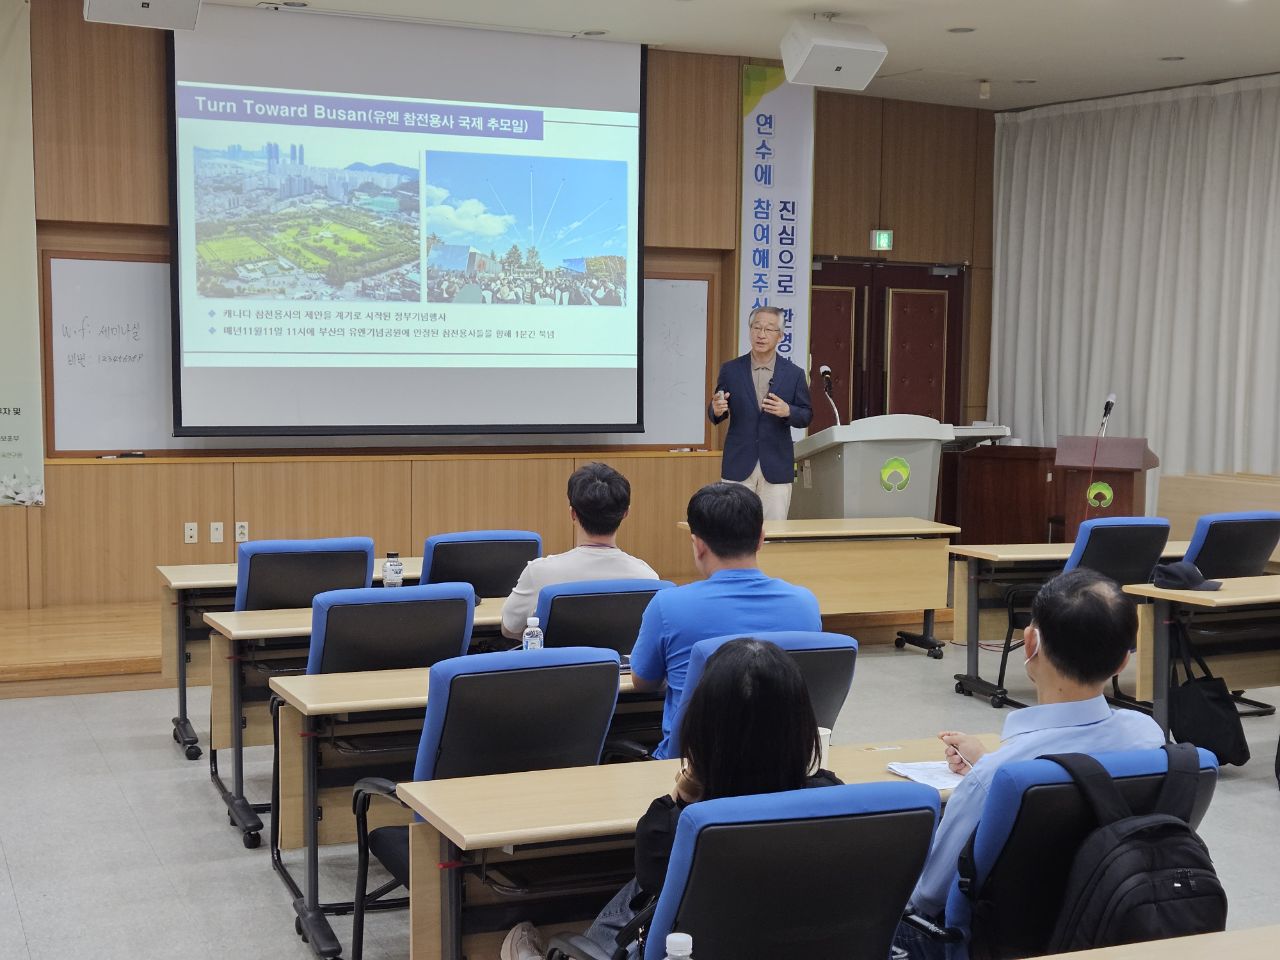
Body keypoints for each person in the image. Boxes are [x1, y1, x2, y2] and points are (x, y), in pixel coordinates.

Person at [500, 638, 842, 960]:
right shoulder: (835, 802)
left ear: (701, 726)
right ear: (802, 724)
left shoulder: (679, 828)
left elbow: (654, 884)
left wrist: (683, 791)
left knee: (642, 898)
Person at [893, 569, 1165, 958]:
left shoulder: (993, 778)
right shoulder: (1150, 738)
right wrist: (992, 764)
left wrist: (990, 773)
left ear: (1030, 642)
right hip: (1105, 925)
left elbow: (928, 896)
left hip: (989, 943)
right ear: (1123, 661)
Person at [629, 482, 821, 758]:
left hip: (694, 773)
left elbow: (643, 682)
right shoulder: (805, 604)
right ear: (761, 539)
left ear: (698, 546)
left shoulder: (668, 605)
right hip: (783, 765)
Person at [500, 462, 659, 640]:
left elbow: (509, 628)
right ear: (626, 513)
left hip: (557, 667)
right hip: (621, 668)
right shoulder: (648, 577)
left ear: (572, 514)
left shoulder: (540, 572)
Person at [708, 305, 813, 521]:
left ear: (780, 336)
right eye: (757, 327)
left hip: (776, 464)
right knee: (734, 530)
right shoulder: (731, 369)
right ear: (750, 330)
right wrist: (716, 410)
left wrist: (787, 411)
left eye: (769, 329)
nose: (761, 334)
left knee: (773, 534)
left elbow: (806, 415)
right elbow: (718, 407)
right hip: (739, 462)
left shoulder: (794, 374)